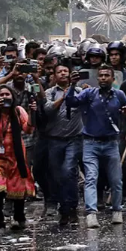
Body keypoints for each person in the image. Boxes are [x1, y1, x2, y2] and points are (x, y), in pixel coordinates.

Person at [67, 64, 126, 228]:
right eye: (101, 75)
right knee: (91, 178)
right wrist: (72, 85)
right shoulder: (89, 93)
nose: (103, 78)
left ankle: (117, 210)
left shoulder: (120, 95)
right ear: (97, 78)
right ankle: (91, 213)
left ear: (112, 78)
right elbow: (71, 102)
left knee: (116, 180)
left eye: (106, 75)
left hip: (111, 143)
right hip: (90, 143)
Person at [0, 84, 36, 234]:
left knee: (17, 191)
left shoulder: (18, 111)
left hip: (16, 157)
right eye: (1, 95)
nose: (4, 97)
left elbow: (28, 129)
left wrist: (32, 114)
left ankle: (19, 217)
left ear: (13, 97)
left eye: (7, 95)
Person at [41, 64, 84, 226]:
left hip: (74, 138)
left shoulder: (80, 92)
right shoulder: (50, 92)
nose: (63, 73)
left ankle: (71, 207)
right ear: (55, 75)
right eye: (60, 71)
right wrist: (63, 97)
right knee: (57, 175)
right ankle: (63, 208)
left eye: (66, 71)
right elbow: (48, 109)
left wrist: (75, 89)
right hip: (55, 139)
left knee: (69, 171)